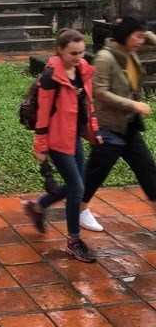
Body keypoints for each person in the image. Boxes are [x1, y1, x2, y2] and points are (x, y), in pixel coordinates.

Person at [23, 28, 102, 263]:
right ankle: (73, 240)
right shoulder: (51, 77)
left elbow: (88, 105)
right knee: (77, 187)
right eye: (73, 53)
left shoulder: (83, 70)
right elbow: (43, 116)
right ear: (59, 50)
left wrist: (94, 130)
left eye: (81, 52)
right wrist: (40, 146)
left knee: (78, 184)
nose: (78, 57)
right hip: (56, 140)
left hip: (73, 136)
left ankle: (38, 206)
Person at [81, 14, 156, 231]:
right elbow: (100, 92)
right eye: (137, 36)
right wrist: (133, 105)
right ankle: (74, 208)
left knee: (147, 169)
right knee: (96, 172)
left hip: (128, 125)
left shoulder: (129, 51)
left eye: (142, 36)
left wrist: (140, 28)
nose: (141, 41)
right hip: (108, 125)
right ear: (125, 35)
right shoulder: (105, 58)